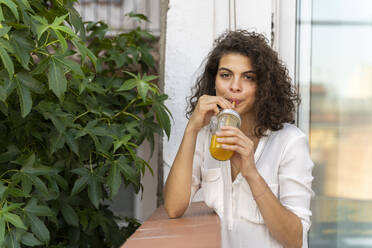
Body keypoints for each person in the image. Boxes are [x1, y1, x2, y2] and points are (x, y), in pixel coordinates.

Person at [163, 30, 314, 248]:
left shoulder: (290, 142)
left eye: (248, 77)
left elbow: (295, 240)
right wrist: (192, 129)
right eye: (226, 75)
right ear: (214, 81)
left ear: (263, 86)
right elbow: (173, 207)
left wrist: (251, 173)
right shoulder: (207, 135)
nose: (235, 86)